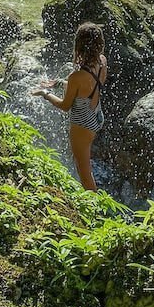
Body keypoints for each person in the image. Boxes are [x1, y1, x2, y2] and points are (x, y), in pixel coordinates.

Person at [31, 21, 108, 191]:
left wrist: (45, 94)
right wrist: (59, 83)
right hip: (96, 115)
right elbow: (89, 87)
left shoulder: (77, 76)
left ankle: (95, 210)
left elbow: (65, 105)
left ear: (79, 45)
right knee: (84, 164)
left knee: (84, 173)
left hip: (82, 124)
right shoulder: (102, 62)